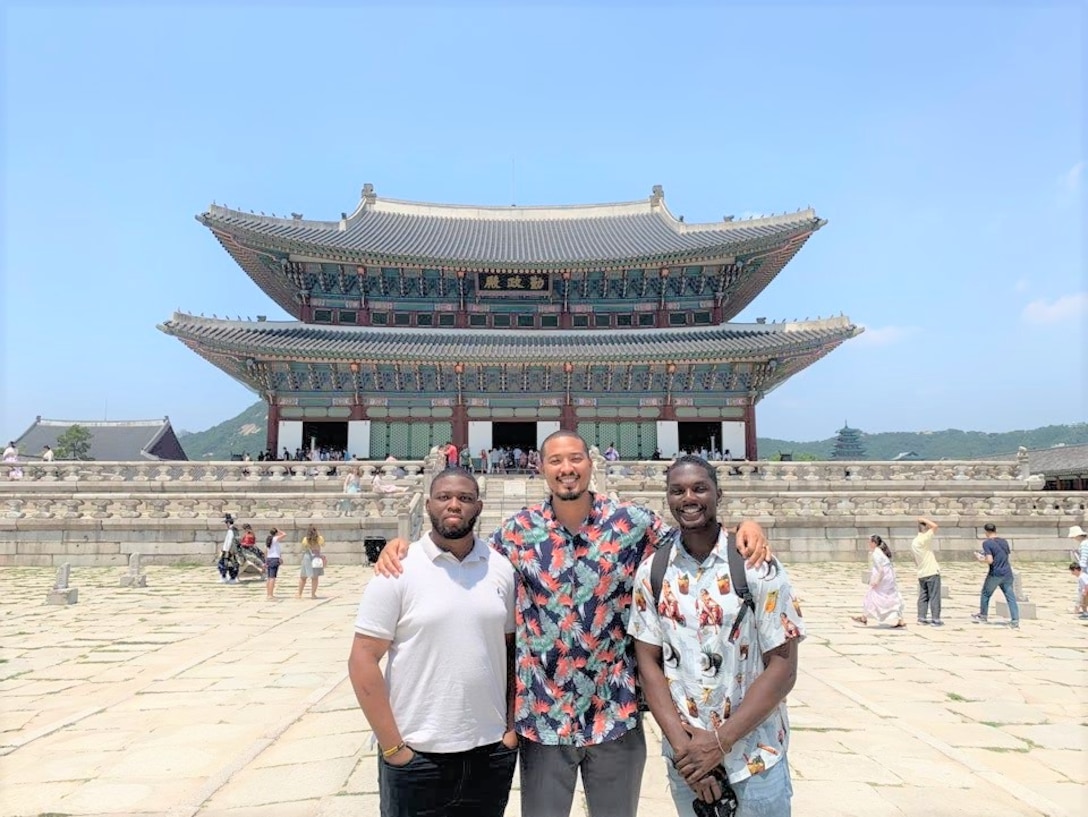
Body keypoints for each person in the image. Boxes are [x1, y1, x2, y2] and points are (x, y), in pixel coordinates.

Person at [375, 431, 770, 817]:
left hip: (615, 713)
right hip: (544, 720)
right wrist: (406, 549)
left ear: (590, 464)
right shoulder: (516, 533)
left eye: (575, 458)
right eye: (556, 460)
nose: (567, 468)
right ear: (541, 468)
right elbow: (463, 555)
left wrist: (745, 527)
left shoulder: (630, 523)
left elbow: (694, 537)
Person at [629, 456, 803, 817]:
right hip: (688, 760)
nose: (688, 498)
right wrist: (686, 750)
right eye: (678, 491)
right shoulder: (653, 571)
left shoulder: (756, 566)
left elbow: (783, 667)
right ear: (668, 498)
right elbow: (648, 663)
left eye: (699, 488)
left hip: (756, 756)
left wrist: (720, 744)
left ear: (718, 494)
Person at [348, 468, 518, 817]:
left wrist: (510, 731)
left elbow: (511, 651)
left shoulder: (500, 568)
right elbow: (363, 659)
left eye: (465, 498)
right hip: (416, 753)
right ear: (427, 504)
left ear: (479, 506)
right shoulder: (398, 569)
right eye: (444, 497)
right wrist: (393, 747)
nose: (454, 505)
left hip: (489, 751)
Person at [851, 535, 906, 629]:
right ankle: (900, 619)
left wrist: (876, 580)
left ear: (874, 543)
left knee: (872, 596)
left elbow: (881, 570)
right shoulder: (880, 552)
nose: (868, 544)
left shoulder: (876, 553)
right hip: (889, 577)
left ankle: (864, 618)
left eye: (869, 542)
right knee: (892, 596)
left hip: (884, 578)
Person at [971, 523, 1019, 629]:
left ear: (986, 532)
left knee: (986, 593)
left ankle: (983, 615)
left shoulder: (987, 543)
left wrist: (980, 559)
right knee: (1010, 597)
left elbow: (990, 560)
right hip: (1007, 572)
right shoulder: (1004, 542)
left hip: (996, 573)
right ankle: (1015, 620)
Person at [910, 517, 943, 626]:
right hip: (931, 571)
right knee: (934, 596)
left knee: (923, 596)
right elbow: (935, 526)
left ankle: (921, 617)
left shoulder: (914, 542)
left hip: (922, 572)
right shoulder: (924, 539)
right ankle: (935, 619)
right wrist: (922, 519)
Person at [299, 525, 326, 599]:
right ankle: (313, 594)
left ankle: (299, 594)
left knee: (303, 577)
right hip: (316, 557)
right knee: (315, 577)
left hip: (307, 557)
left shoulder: (305, 539)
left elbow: (303, 547)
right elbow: (323, 545)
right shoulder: (319, 538)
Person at [217, 516, 240, 584]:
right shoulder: (235, 530)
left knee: (222, 564)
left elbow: (229, 541)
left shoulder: (231, 530)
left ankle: (224, 577)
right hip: (234, 550)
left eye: (226, 523)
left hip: (229, 551)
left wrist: (225, 550)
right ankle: (233, 578)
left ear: (229, 523)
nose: (226, 524)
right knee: (232, 564)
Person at [265, 527, 286, 600]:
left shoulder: (269, 539)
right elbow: (284, 534)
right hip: (274, 559)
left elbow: (267, 551)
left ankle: (268, 593)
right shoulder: (275, 539)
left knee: (269, 577)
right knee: (272, 578)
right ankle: (270, 595)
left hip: (269, 558)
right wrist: (279, 530)